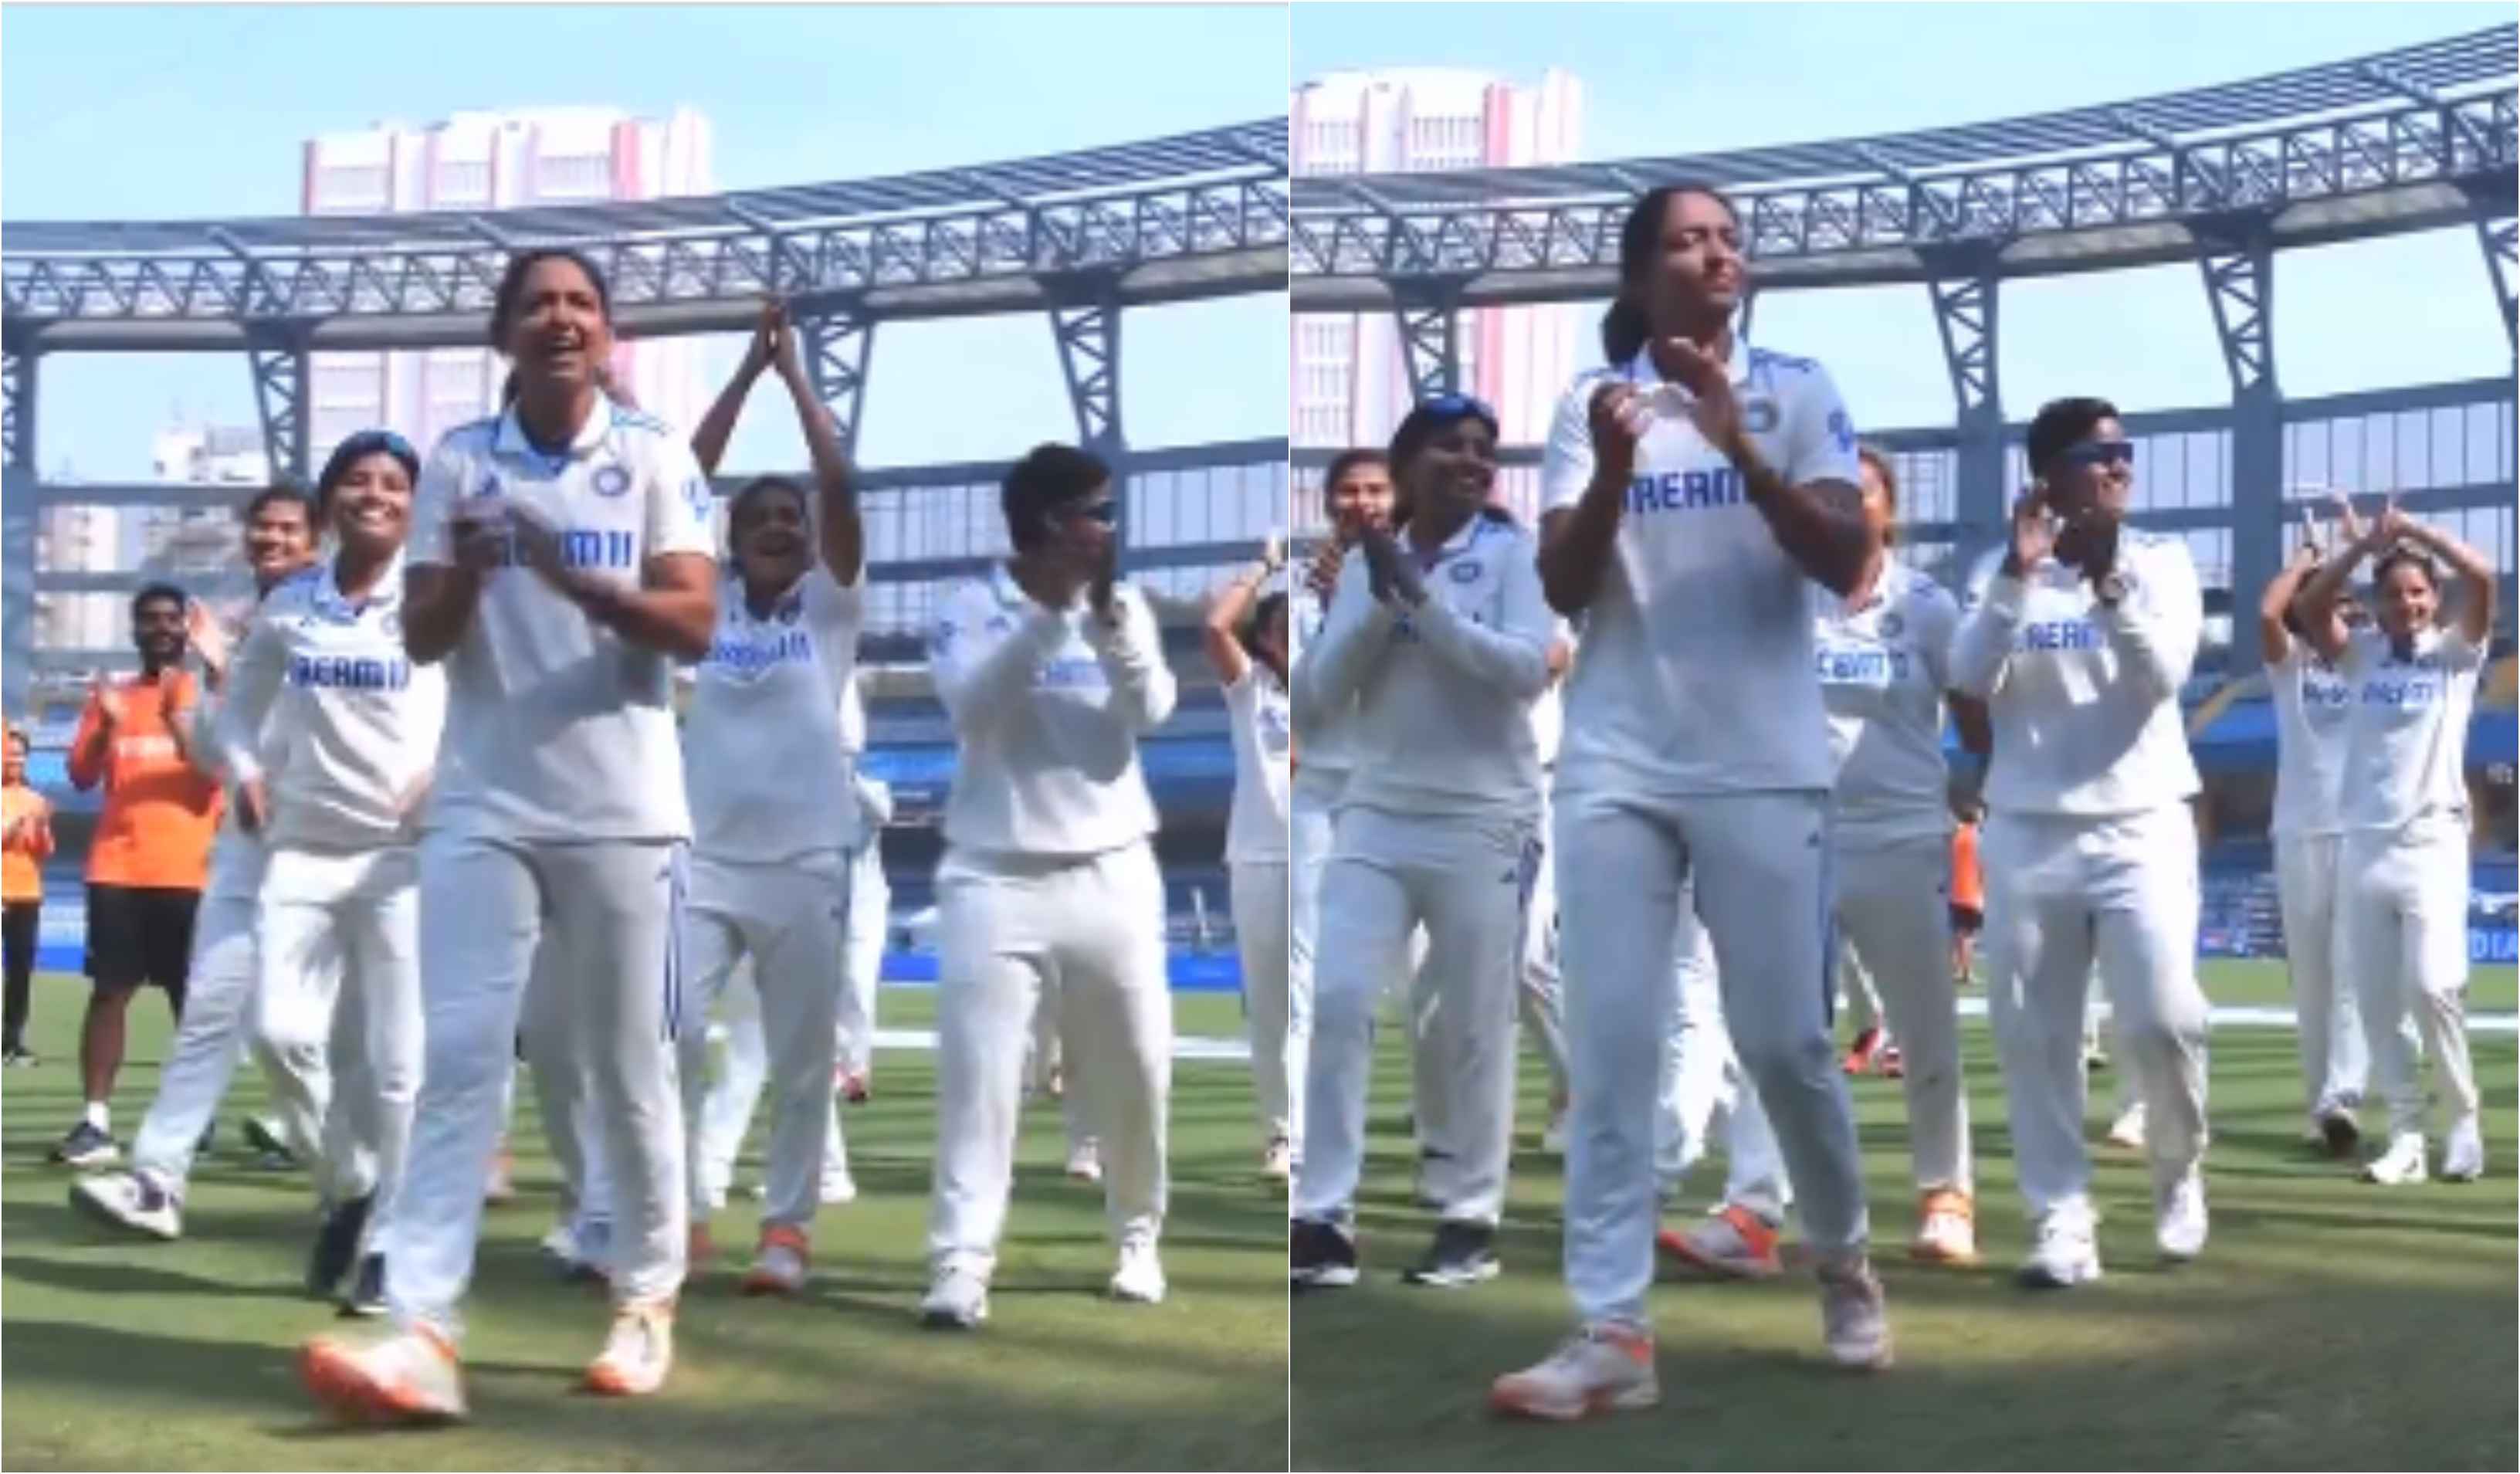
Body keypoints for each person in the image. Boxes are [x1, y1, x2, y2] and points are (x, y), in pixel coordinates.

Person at [1492, 181, 1890, 1421]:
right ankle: (1612, 1328)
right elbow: (1561, 584)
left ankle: (1844, 1255)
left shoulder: (1801, 387)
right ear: (1635, 279)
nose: (1718, 256)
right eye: (1686, 242)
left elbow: (1845, 557)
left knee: (1785, 1044)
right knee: (1613, 1055)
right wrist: (1614, 467)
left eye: (1727, 239)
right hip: (1616, 760)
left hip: (1766, 759)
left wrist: (1739, 447)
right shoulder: (1584, 406)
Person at [299, 246, 717, 1419]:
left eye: (582, 303)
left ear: (608, 332)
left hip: (628, 807)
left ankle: (644, 1292)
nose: (562, 319)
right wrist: (473, 574)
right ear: (505, 336)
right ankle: (422, 1325)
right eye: (538, 304)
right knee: (464, 1053)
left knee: (631, 1063)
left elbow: (693, 624)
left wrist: (574, 581)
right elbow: (426, 640)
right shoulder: (459, 465)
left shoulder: (653, 457)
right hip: (484, 798)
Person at [1289, 394, 1552, 1290]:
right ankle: (1321, 1216)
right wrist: (1378, 598)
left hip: (1487, 818)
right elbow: (1319, 697)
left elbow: (1523, 670)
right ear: (1406, 469)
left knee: (1474, 1023)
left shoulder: (1514, 555)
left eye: (1484, 449)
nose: (1473, 461)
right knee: (1339, 998)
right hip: (1377, 811)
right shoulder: (1370, 563)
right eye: (1451, 448)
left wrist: (1426, 608)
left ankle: (1469, 1217)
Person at [1949, 395, 2210, 1290]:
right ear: (2050, 475)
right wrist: (2019, 581)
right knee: (2036, 1038)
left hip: (2142, 821)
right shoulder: (1999, 569)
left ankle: (2179, 1177)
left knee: (2165, 1020)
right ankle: (2062, 1221)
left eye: (2124, 453)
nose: (2120, 467)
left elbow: (2163, 676)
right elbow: (1966, 678)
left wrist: (2109, 587)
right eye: (2100, 455)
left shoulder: (2162, 562)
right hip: (2026, 827)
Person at [920, 442, 1177, 1330]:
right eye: (1094, 513)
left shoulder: (1126, 604)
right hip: (994, 871)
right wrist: (1045, 617)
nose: (1108, 529)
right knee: (982, 1080)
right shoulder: (965, 608)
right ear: (1045, 522)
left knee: (1137, 1068)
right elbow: (972, 708)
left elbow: (1150, 711)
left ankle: (1138, 1236)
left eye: (1109, 513)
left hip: (1114, 868)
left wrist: (1103, 623)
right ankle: (960, 1262)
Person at [212, 432, 445, 1318]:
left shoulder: (433, 597)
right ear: (329, 501)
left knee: (396, 1066)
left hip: (400, 859)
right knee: (281, 1036)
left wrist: (442, 771)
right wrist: (247, 772)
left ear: (412, 504)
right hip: (301, 853)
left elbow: (487, 702)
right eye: (358, 480)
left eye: (393, 482)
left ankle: (388, 1236)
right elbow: (238, 713)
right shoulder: (290, 605)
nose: (375, 493)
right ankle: (350, 1184)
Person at [672, 299, 864, 1296]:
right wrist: (747, 375)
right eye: (763, 519)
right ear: (734, 539)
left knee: (799, 1063)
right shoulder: (707, 602)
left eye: (793, 518)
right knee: (660, 1035)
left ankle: (784, 1234)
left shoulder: (830, 607)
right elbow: (677, 483)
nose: (785, 527)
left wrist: (796, 381)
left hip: (804, 863)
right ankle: (678, 1217)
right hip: (699, 859)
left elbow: (837, 481)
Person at [2291, 494, 2494, 1185]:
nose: (2407, 604)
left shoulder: (2457, 654)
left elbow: (2487, 578)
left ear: (2434, 597)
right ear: (2377, 603)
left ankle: (2464, 1120)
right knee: (2377, 1002)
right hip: (2365, 847)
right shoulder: (2364, 656)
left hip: (2433, 842)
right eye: (2394, 594)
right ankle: (2407, 1134)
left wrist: (2413, 533)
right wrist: (2363, 547)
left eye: (2417, 592)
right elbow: (2314, 604)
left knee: (2433, 985)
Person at [1811, 444, 1982, 1260]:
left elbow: (1974, 704)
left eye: (1865, 493)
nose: (1849, 505)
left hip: (1901, 831)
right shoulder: (1786, 594)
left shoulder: (1927, 604)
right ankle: (1758, 1201)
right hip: (1799, 832)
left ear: (1889, 510)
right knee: (1782, 1033)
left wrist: (1978, 784)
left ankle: (1946, 1195)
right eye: (1835, 493)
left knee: (1923, 1025)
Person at [51, 584, 226, 1167]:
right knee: (109, 992)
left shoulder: (209, 694)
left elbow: (218, 774)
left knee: (190, 998)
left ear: (186, 628)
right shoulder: (113, 699)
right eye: (148, 619)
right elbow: (79, 776)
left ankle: (195, 1115)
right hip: (117, 866)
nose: (160, 628)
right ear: (134, 630)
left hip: (190, 870)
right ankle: (94, 1121)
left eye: (171, 619)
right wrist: (104, 725)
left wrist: (191, 708)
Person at [1287, 451, 1396, 1173]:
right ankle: (1299, 1135)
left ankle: (1450, 1147)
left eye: (1376, 490)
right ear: (1329, 505)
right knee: (1307, 967)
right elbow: (1308, 697)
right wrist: (1331, 612)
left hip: (1399, 795)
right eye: (1348, 492)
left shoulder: (1423, 579)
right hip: (1322, 796)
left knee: (1427, 989)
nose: (1361, 502)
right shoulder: (1299, 598)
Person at [2258, 517, 2370, 1156]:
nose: (2344, 614)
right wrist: (2304, 558)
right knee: (2312, 981)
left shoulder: (2367, 662)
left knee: (2351, 972)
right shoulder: (2290, 667)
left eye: (2351, 606)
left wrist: (2355, 551)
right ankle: (2320, 1102)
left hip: (2358, 829)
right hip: (2297, 830)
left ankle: (2343, 1095)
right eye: (2333, 604)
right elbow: (2269, 612)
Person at [1204, 540, 1294, 1178]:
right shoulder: (1251, 691)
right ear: (1265, 639)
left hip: (1327, 861)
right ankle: (1282, 1134)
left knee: (1329, 1003)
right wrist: (1265, 565)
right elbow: (1215, 625)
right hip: (1260, 860)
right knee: (1269, 1005)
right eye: (1284, 631)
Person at [5, 724, 55, 1066]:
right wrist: (16, 823)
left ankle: (12, 1040)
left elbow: (44, 850)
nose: (15, 759)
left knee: (21, 971)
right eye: (9, 754)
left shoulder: (35, 799)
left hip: (27, 893)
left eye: (21, 754)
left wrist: (41, 827)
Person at [1949, 798, 1985, 986]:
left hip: (1956, 891)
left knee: (1959, 935)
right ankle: (1966, 972)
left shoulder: (1957, 836)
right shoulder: (1978, 838)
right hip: (1973, 892)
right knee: (1969, 936)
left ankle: (1956, 969)